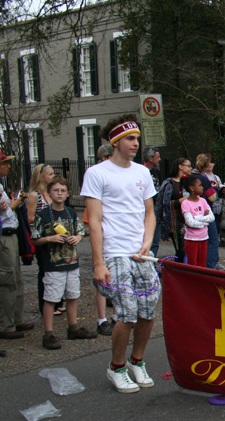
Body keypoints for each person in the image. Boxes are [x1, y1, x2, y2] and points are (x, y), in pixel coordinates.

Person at [81, 114, 159, 394]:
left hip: (141, 253)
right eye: (130, 138)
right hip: (115, 253)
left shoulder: (141, 172)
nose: (136, 143)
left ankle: (137, 360)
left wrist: (147, 242)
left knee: (148, 310)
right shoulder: (97, 173)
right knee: (126, 314)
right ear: (115, 142)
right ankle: (117, 366)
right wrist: (99, 263)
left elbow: (150, 213)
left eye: (137, 138)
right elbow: (94, 220)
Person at [31, 176, 97, 349]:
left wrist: (77, 237)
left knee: (72, 296)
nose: (59, 194)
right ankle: (48, 333)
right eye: (55, 190)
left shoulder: (71, 212)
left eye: (62, 191)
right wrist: (50, 238)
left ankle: (73, 328)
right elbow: (35, 239)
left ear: (68, 193)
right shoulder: (43, 214)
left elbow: (80, 231)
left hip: (72, 262)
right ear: (49, 192)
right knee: (51, 298)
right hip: (54, 264)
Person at [0, 150, 36, 340]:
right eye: (4, 163)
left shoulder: (1, 185)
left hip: (11, 236)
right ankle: (6, 325)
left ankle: (16, 318)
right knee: (7, 281)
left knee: (16, 278)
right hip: (3, 237)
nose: (8, 167)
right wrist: (14, 205)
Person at [84, 145, 116, 335]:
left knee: (118, 282)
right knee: (102, 284)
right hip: (103, 245)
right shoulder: (96, 185)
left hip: (118, 243)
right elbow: (90, 222)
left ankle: (116, 317)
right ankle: (102, 319)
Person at [26, 163, 63, 316]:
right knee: (45, 271)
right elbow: (30, 217)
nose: (52, 177)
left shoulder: (51, 193)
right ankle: (46, 306)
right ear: (41, 177)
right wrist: (46, 220)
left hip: (56, 235)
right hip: (43, 237)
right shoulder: (35, 195)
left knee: (58, 269)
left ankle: (58, 302)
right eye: (50, 174)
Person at [155, 158, 191, 264]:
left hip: (191, 221)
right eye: (188, 165)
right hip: (176, 223)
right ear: (180, 166)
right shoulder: (169, 184)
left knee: (189, 249)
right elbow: (164, 204)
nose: (191, 168)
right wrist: (181, 200)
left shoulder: (190, 182)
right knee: (181, 249)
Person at [194, 154, 223, 270]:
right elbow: (212, 197)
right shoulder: (203, 178)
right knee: (213, 240)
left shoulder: (191, 176)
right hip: (205, 211)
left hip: (193, 211)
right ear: (206, 165)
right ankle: (210, 266)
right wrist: (217, 190)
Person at [181, 174, 216, 267]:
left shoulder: (203, 201)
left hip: (204, 237)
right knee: (192, 264)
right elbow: (190, 222)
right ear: (192, 188)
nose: (202, 187)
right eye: (200, 185)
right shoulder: (186, 203)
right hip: (191, 239)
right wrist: (205, 222)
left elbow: (212, 218)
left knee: (202, 263)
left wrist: (197, 218)